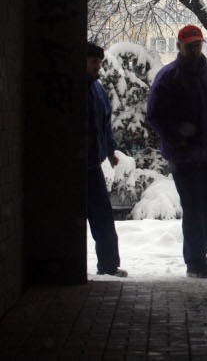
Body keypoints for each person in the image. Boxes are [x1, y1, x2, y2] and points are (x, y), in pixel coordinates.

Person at [147, 25, 207, 279]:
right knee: (194, 208)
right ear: (179, 46)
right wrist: (179, 138)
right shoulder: (168, 77)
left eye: (198, 44)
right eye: (190, 45)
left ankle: (198, 252)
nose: (194, 48)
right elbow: (155, 115)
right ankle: (196, 261)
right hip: (183, 158)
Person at [86, 42, 128, 277]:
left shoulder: (97, 89)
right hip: (74, 166)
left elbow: (104, 124)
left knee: (103, 217)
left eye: (100, 63)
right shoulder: (81, 88)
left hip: (92, 165)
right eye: (94, 63)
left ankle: (109, 266)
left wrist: (110, 151)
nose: (98, 68)